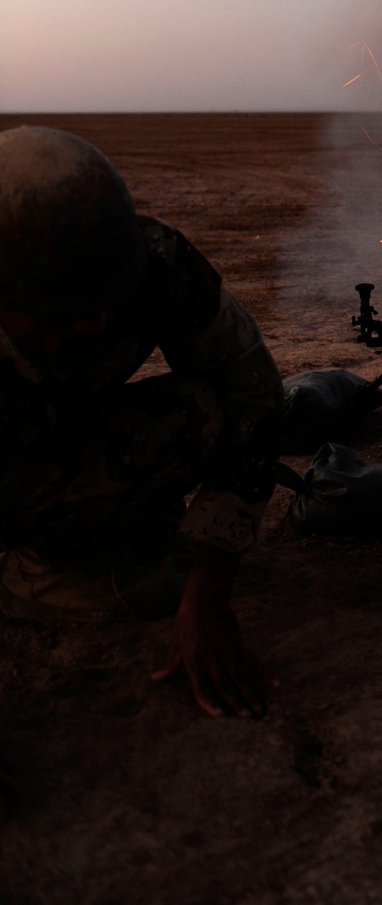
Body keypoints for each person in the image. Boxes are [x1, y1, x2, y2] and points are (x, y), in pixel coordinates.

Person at [0, 125, 284, 719]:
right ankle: (35, 574)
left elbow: (252, 398)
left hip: (59, 436)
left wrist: (210, 587)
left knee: (201, 412)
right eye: (63, 309)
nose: (93, 325)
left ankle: (97, 528)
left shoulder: (153, 266)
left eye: (105, 301)